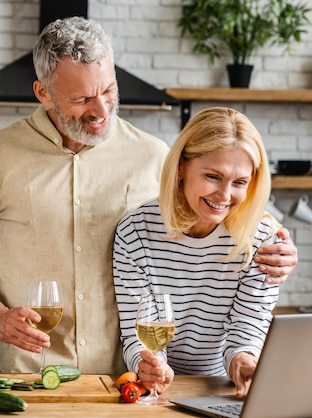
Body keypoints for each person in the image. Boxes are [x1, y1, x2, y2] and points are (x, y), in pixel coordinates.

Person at [0, 17, 297, 375]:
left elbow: (221, 207)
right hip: (33, 375)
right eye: (83, 98)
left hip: (128, 379)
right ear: (44, 93)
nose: (102, 110)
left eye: (108, 90)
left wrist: (279, 246)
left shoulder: (152, 156)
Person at [113, 107, 281, 399]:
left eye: (239, 182)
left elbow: (248, 328)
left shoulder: (263, 239)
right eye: (213, 176)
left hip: (224, 390)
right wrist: (151, 365)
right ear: (181, 167)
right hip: (154, 392)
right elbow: (136, 332)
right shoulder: (136, 231)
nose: (225, 196)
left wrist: (244, 361)